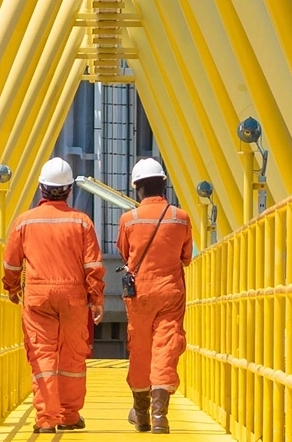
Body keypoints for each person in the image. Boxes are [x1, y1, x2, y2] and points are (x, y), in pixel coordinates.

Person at [3, 157, 106, 434]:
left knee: (41, 355)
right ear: (70, 189)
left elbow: (11, 263)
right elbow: (93, 266)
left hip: (37, 296)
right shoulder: (82, 222)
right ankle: (69, 415)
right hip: (74, 297)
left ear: (41, 188)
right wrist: (96, 300)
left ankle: (46, 418)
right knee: (72, 356)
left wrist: (12, 288)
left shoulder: (24, 222)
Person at [117, 158, 193, 435]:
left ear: (138, 187)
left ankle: (140, 414)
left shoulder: (129, 219)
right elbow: (186, 257)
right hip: (170, 291)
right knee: (166, 348)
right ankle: (160, 416)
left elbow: (126, 254)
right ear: (163, 184)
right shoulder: (180, 217)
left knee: (140, 349)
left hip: (139, 294)